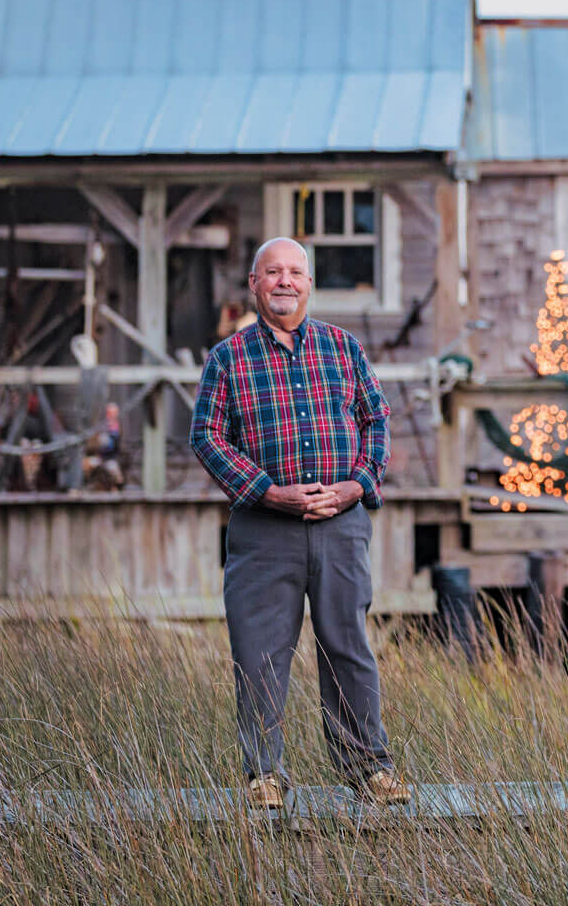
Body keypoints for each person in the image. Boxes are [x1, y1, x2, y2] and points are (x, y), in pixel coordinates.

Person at [189, 236, 410, 809]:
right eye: (272, 272)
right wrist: (268, 491)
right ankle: (265, 774)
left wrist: (357, 484)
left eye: (295, 272)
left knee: (348, 645)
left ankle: (370, 769)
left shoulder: (344, 348)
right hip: (264, 529)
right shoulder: (228, 358)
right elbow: (206, 436)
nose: (284, 281)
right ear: (254, 285)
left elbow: (376, 420)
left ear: (308, 284)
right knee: (259, 651)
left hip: (342, 524)